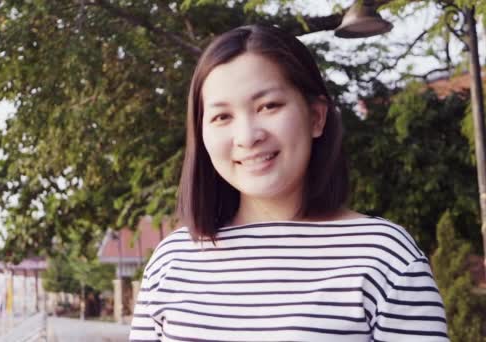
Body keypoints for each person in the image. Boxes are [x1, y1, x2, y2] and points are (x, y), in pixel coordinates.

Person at [129, 24, 448, 342]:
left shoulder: (386, 256)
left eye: (268, 106)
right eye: (222, 117)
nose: (247, 137)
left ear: (316, 117)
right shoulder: (172, 260)